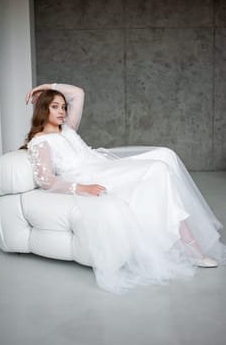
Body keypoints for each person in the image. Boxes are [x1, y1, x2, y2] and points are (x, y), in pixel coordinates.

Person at [22, 83, 226, 294]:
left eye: (63, 107)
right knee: (158, 169)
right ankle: (191, 246)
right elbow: (46, 180)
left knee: (165, 154)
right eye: (55, 106)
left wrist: (45, 86)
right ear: (43, 108)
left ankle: (181, 237)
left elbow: (78, 93)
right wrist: (83, 187)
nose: (62, 111)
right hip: (91, 176)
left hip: (104, 166)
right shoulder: (40, 142)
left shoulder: (67, 129)